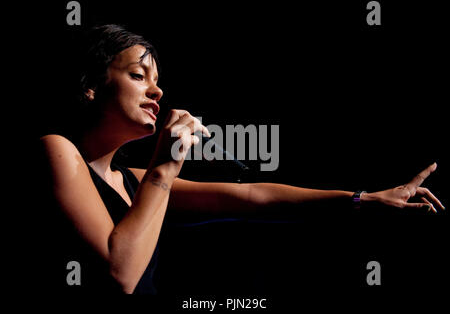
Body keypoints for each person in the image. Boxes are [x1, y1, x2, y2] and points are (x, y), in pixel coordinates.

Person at [38, 24, 444, 294]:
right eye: (138, 76)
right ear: (91, 86)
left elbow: (253, 197)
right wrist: (165, 166)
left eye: (158, 81)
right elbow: (119, 273)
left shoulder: (130, 180)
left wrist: (364, 199)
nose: (157, 93)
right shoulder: (56, 149)